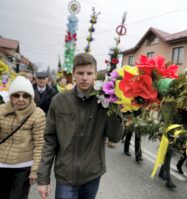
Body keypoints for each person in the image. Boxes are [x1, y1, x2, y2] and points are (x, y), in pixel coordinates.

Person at [37, 53, 124, 199]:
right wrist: (43, 178)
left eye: (89, 73)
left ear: (96, 74)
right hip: (65, 175)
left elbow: (115, 138)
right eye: (80, 73)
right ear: (73, 75)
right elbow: (50, 141)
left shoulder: (105, 102)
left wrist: (116, 109)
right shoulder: (59, 101)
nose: (85, 77)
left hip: (92, 174)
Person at [0, 76, 46, 199]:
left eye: (25, 96)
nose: (21, 99)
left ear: (31, 97)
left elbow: (39, 144)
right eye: (16, 95)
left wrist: (35, 170)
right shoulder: (1, 110)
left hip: (23, 167)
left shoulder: (37, 114)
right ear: (10, 96)